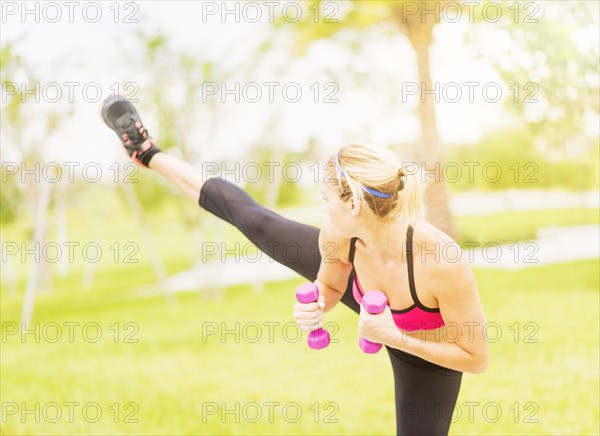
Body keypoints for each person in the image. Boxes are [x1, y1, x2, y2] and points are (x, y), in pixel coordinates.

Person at [100, 95, 489, 435]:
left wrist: (394, 336)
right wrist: (319, 301)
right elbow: (333, 286)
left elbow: (476, 358)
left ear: (353, 205)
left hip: (426, 352)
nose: (322, 206)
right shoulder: (338, 233)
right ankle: (148, 152)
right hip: (372, 301)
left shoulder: (440, 262)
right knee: (256, 221)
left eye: (325, 197)